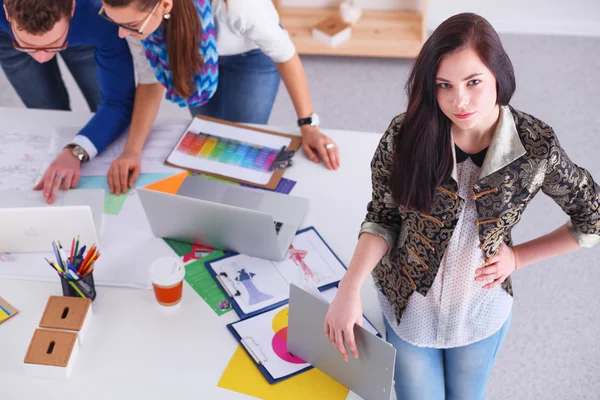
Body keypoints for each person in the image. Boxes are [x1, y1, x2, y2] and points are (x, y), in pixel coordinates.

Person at [324, 13, 600, 400]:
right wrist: (348, 288)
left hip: (480, 309)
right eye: (444, 85)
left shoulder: (536, 148)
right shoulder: (405, 136)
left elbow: (593, 217)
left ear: (498, 76)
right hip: (410, 309)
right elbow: (383, 217)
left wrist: (517, 258)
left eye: (474, 82)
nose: (460, 101)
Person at [97, 0, 340, 195]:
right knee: (209, 137)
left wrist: (308, 125)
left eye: (129, 25)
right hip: (190, 55)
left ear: (165, 5)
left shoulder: (239, 6)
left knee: (241, 140)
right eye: (113, 21)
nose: (121, 33)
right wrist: (132, 151)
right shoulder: (135, 20)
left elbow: (286, 55)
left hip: (249, 56)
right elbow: (149, 80)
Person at [0, 0, 135, 204]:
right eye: (29, 47)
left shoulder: (100, 12)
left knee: (102, 112)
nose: (42, 59)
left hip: (85, 25)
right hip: (6, 37)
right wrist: (35, 43)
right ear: (6, 13)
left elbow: (118, 102)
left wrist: (77, 150)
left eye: (55, 44)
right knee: (48, 116)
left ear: (71, 8)